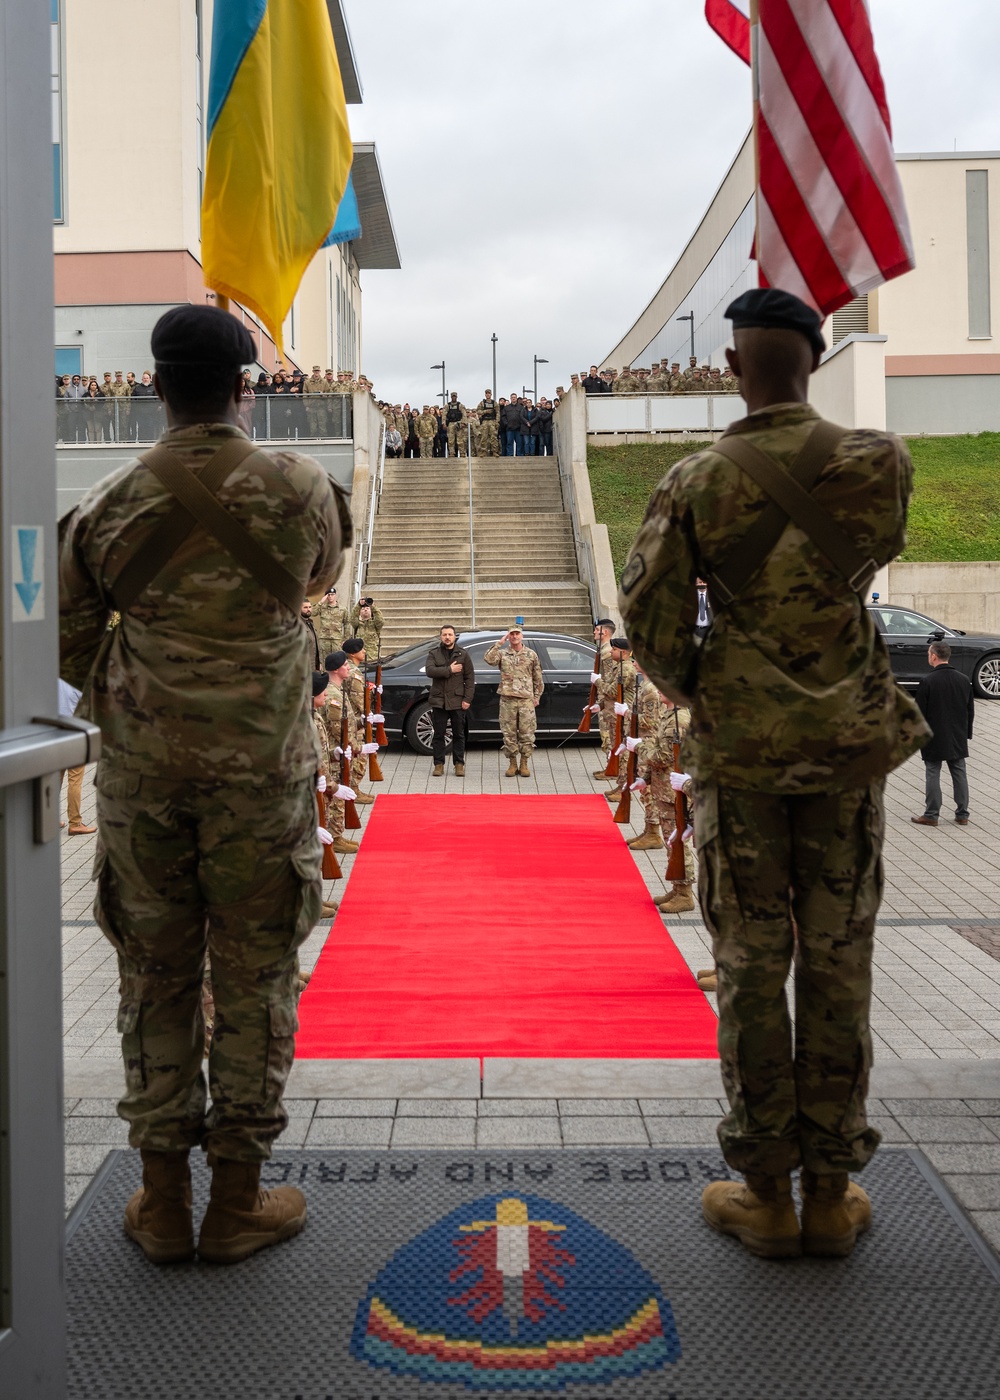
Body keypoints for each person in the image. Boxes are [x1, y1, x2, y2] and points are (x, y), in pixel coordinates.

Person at [619, 286, 929, 1260]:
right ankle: (831, 1191)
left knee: (751, 964)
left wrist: (705, 687)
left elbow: (650, 622)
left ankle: (765, 1189)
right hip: (845, 751)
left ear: (729, 368)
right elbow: (870, 552)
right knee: (839, 955)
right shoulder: (877, 464)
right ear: (815, 354)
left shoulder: (695, 482)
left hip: (742, 758)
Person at [58, 303, 350, 1267]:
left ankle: (160, 1198)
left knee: (155, 975)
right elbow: (315, 585)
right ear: (245, 390)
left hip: (143, 786)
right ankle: (235, 1201)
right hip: (263, 780)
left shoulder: (104, 505)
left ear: (154, 386)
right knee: (257, 976)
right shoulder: (304, 489)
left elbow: (65, 644)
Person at [911, 640, 974, 827]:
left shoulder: (928, 681)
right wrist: (966, 734)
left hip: (934, 736)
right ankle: (962, 814)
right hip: (957, 735)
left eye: (928, 654)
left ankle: (931, 814)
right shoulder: (964, 680)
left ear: (933, 656)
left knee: (932, 772)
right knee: (959, 772)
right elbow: (970, 710)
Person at [483, 626, 544, 778]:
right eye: (512, 634)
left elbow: (538, 678)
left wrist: (537, 696)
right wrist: (500, 642)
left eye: (517, 634)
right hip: (507, 700)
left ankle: (524, 763)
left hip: (526, 700)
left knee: (527, 733)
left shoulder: (531, 654)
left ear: (522, 636)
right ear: (508, 636)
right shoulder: (503, 654)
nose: (515, 636)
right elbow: (488, 659)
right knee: (509, 733)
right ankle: (512, 763)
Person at [425, 625, 476, 777]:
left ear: (455, 637)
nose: (447, 637)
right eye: (444, 634)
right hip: (439, 700)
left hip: (457, 700)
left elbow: (470, 678)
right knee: (439, 734)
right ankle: (438, 764)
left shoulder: (463, 655)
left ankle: (459, 764)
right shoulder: (434, 653)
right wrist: (449, 670)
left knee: (459, 734)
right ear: (440, 636)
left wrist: (467, 699)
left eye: (450, 634)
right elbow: (430, 671)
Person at [58, 676, 97, 836]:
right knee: (75, 780)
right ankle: (75, 823)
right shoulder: (79, 683)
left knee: (56, 777)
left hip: (55, 732)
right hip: (74, 735)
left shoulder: (56, 679)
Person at [314, 584, 347, 657]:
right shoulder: (322, 607)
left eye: (332, 594)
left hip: (337, 639)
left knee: (337, 660)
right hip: (324, 639)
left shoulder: (343, 609)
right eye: (328, 595)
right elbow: (313, 613)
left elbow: (347, 624)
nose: (330, 596)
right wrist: (321, 602)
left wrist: (345, 639)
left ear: (335, 595)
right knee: (324, 660)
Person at [444, 392, 468, 458]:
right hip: (451, 424)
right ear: (451, 397)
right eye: (452, 396)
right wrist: (444, 424)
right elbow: (444, 415)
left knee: (460, 439)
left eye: (455, 396)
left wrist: (463, 423)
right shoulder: (447, 406)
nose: (454, 397)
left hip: (458, 423)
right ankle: (451, 453)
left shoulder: (460, 405)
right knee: (451, 440)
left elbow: (464, 414)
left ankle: (462, 453)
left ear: (456, 397)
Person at [476, 392, 500, 457]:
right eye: (486, 394)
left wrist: (497, 422)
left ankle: (494, 451)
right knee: (484, 437)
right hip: (485, 421)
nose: (488, 395)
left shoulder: (494, 403)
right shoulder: (482, 403)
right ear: (485, 395)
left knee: (493, 437)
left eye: (489, 393)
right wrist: (485, 411)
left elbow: (498, 412)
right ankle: (484, 451)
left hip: (492, 421)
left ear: (491, 394)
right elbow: (478, 411)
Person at [300, 597, 321, 669]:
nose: (308, 609)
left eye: (310, 607)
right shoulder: (297, 624)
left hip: (313, 665)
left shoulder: (310, 623)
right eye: (305, 607)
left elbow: (314, 644)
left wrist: (319, 662)